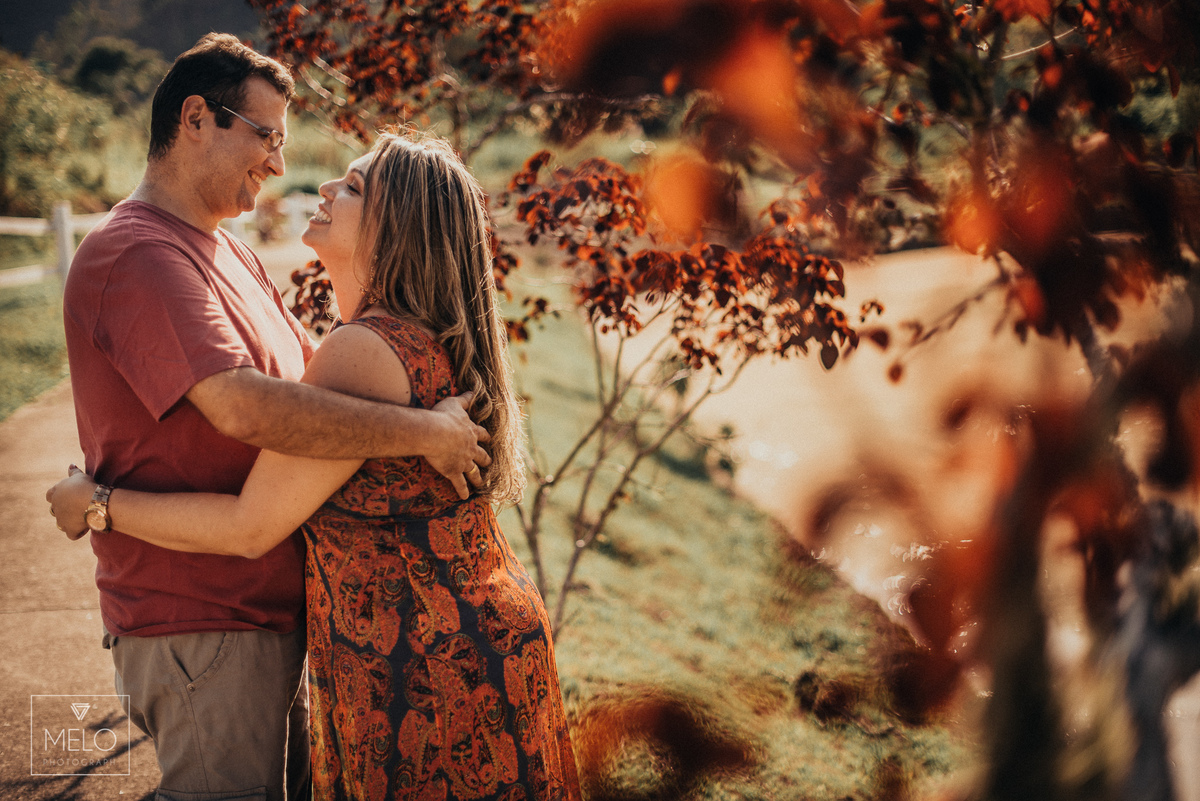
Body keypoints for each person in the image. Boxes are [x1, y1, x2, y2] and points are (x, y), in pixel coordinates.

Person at [49, 130, 583, 800]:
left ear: (397, 229)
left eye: (354, 186)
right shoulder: (410, 338)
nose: (325, 186)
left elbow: (249, 525)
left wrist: (96, 504)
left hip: (425, 665)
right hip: (469, 638)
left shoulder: (363, 350)